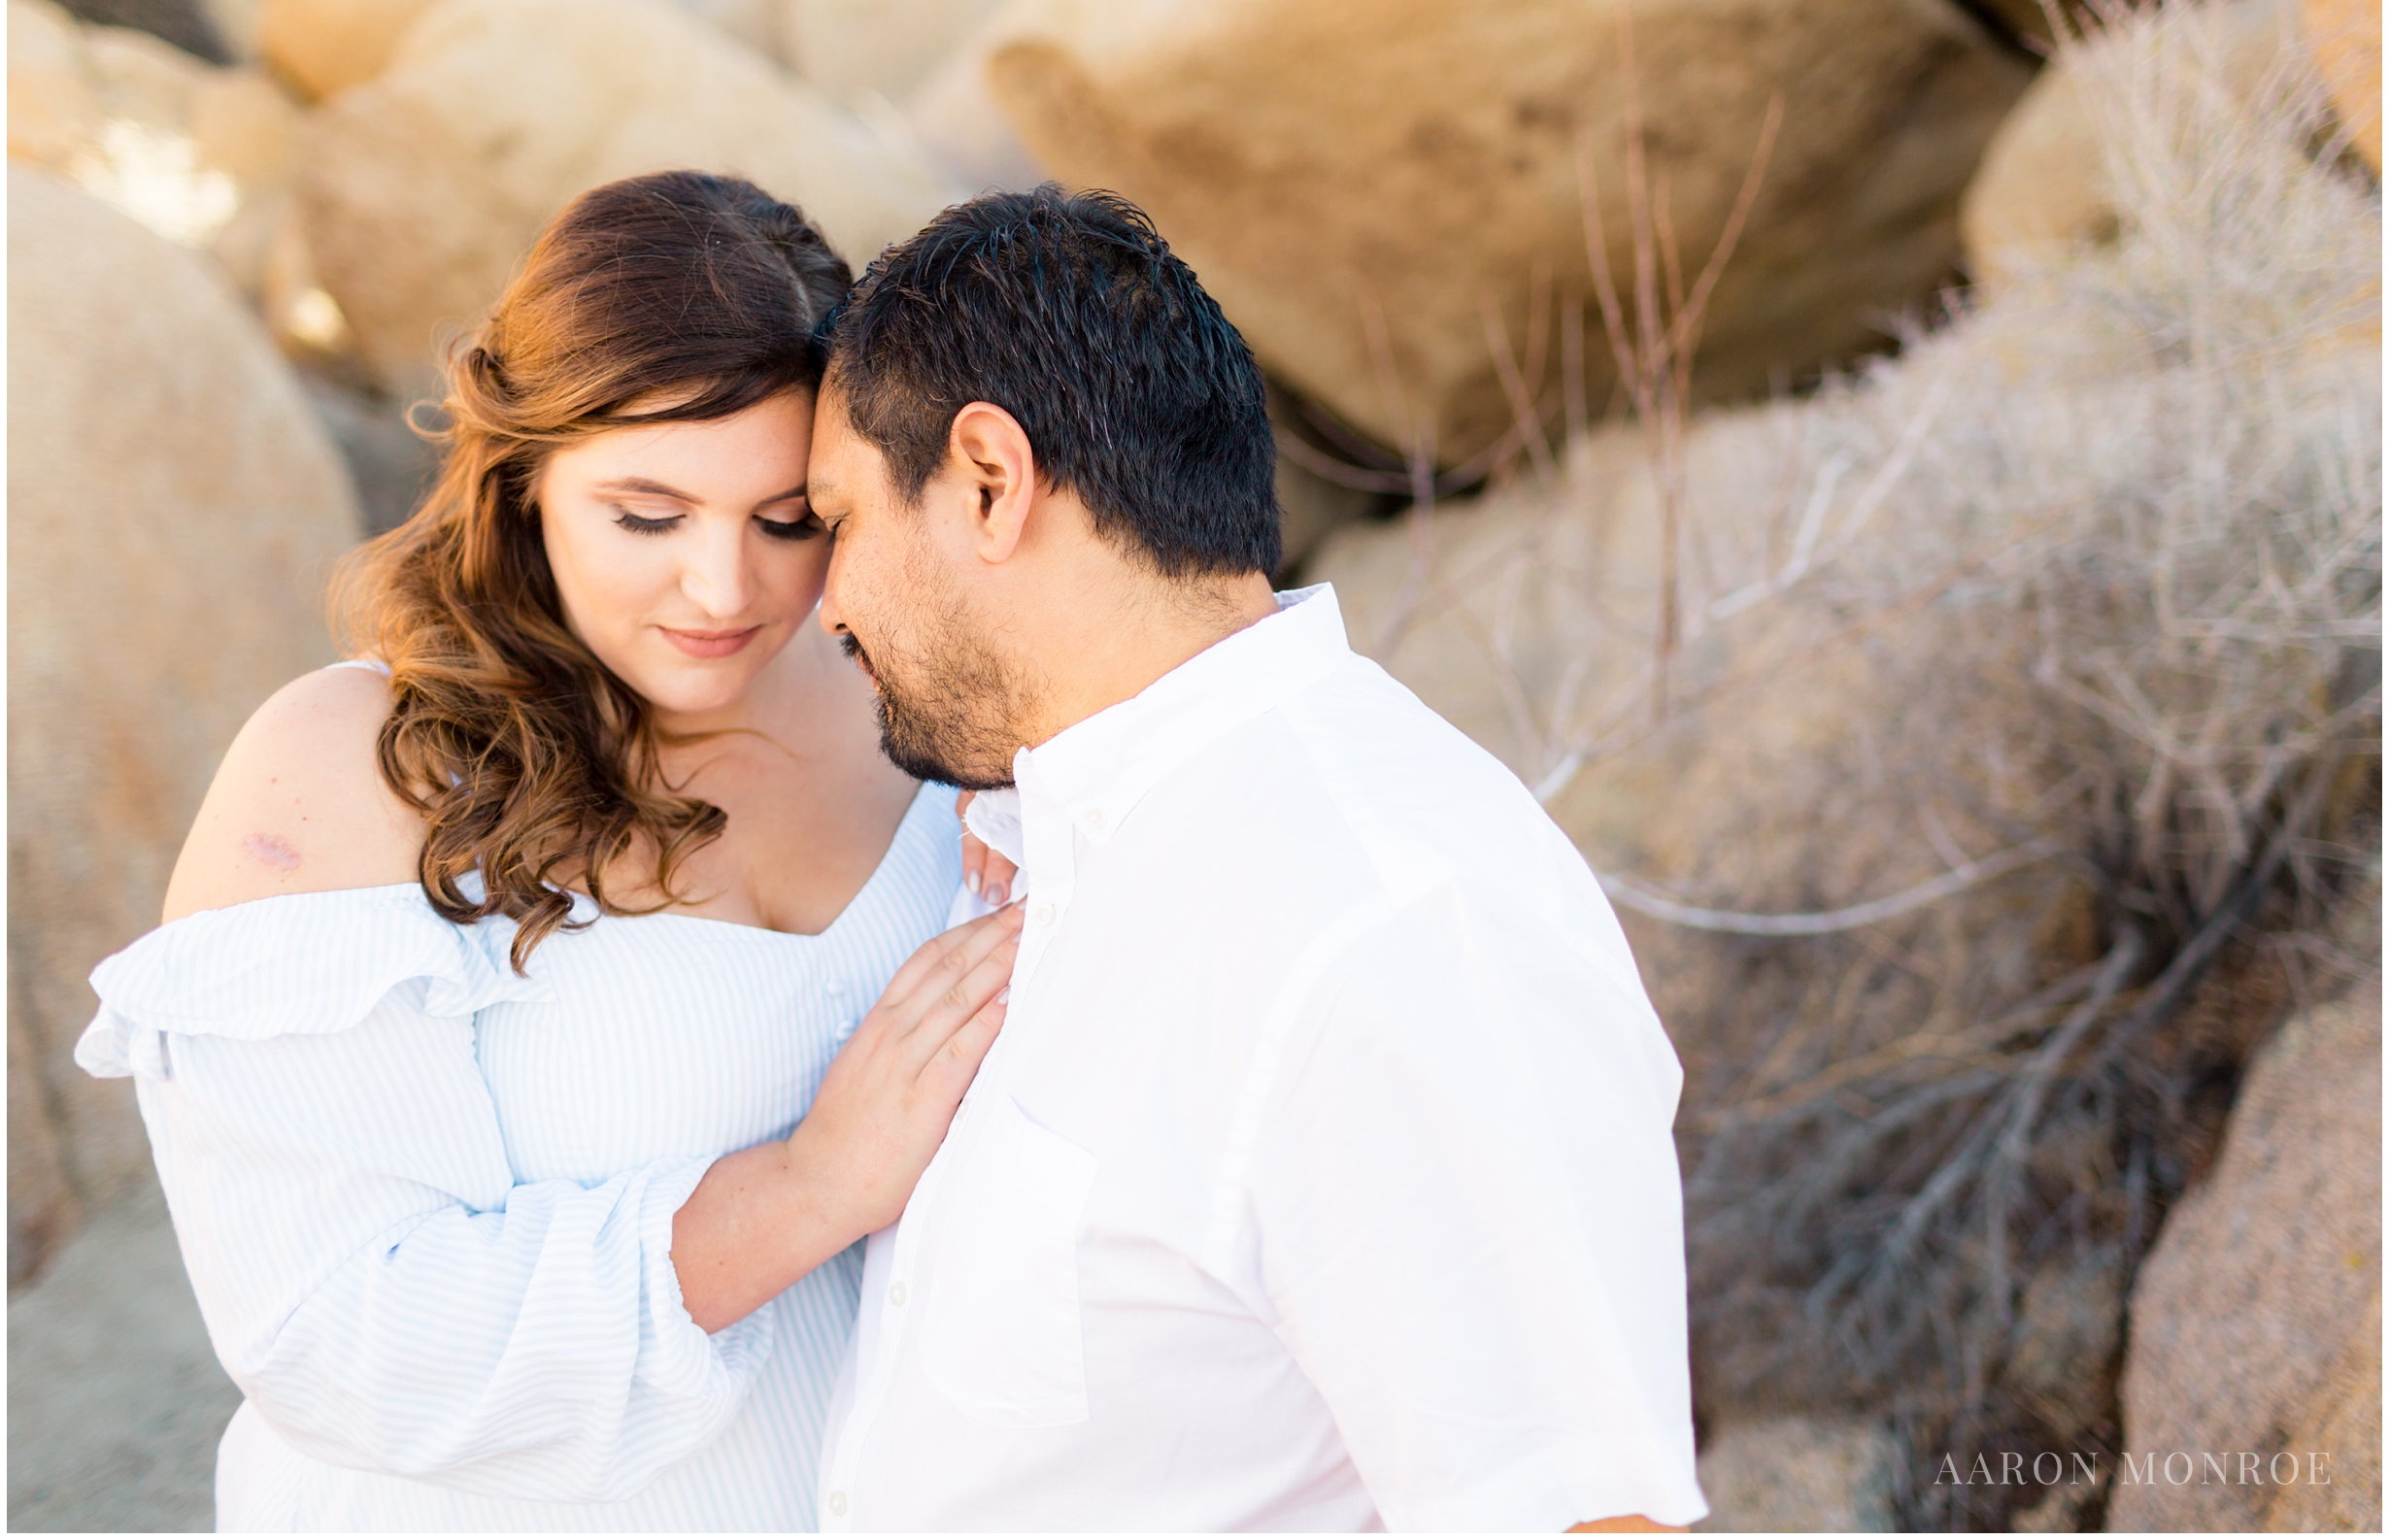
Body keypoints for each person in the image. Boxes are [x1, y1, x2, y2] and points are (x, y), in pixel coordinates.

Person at [74, 171, 1021, 1532]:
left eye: (786, 518)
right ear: (522, 483)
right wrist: (808, 1188)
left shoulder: (914, 696)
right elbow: (337, 1335)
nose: (724, 589)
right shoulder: (348, 768)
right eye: (647, 515)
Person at [801, 184, 1708, 1533]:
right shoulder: (1068, 840)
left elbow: (1582, 1516)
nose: (828, 605)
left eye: (838, 523)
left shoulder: (1389, 918)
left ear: (990, 480)